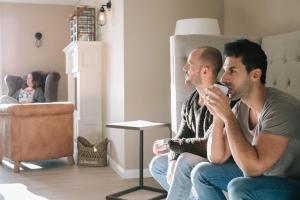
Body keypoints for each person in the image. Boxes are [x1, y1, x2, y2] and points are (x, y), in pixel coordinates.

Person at [191, 39, 300, 200]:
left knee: (239, 188)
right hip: (264, 176)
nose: (224, 78)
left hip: (290, 183)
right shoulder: (241, 107)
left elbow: (252, 169)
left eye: (232, 71)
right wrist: (218, 115)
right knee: (201, 173)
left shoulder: (280, 108)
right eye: (225, 71)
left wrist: (228, 117)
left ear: (255, 75)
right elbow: (216, 157)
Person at [149, 46, 223, 200]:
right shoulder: (191, 100)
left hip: (217, 158)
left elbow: (206, 145)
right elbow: (183, 134)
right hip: (196, 155)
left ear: (205, 70)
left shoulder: (220, 98)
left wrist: (171, 145)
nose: (184, 68)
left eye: (190, 64)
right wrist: (173, 159)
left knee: (185, 159)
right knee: (157, 165)